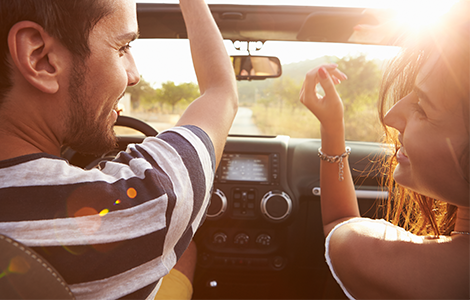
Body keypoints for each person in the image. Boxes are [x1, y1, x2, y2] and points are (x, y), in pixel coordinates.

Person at [0, 0, 237, 298]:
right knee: (185, 250)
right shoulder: (142, 203)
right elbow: (221, 92)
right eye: (122, 48)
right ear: (40, 58)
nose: (134, 74)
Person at [299, 1, 469, 299]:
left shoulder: (402, 267)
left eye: (423, 108)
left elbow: (340, 225)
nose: (390, 116)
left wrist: (332, 126)